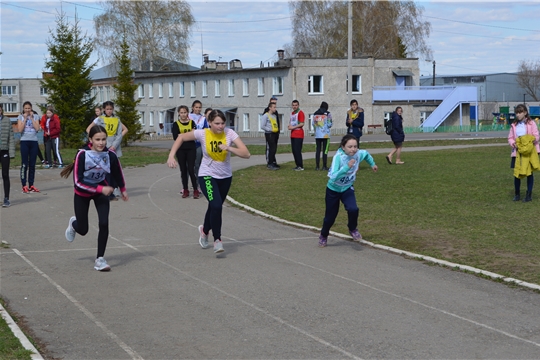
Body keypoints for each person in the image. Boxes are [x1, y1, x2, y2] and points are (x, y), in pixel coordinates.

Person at [167, 110, 250, 254]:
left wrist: (229, 147)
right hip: (207, 175)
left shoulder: (230, 134)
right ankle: (217, 240)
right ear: (210, 122)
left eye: (223, 123)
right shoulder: (202, 133)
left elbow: (246, 153)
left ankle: (204, 230)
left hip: (225, 176)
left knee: (214, 207)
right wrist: (171, 156)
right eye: (217, 123)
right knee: (217, 206)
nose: (220, 126)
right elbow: (180, 137)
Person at [61, 125, 128, 271]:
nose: (101, 143)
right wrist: (100, 188)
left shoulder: (110, 155)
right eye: (97, 139)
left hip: (101, 194)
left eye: (104, 139)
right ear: (90, 139)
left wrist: (122, 189)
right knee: (83, 230)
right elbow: (78, 183)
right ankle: (74, 224)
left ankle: (100, 259)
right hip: (83, 194)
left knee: (104, 223)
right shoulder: (82, 155)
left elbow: (118, 172)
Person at [318, 134, 378, 247]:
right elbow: (334, 176)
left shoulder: (358, 154)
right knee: (330, 217)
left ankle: (352, 229)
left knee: (353, 209)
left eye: (355, 146)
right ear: (343, 147)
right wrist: (347, 167)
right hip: (333, 189)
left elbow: (366, 155)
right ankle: (323, 235)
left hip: (347, 188)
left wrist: (372, 164)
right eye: (350, 147)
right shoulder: (338, 157)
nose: (353, 149)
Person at [86, 101, 128, 200]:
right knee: (104, 170)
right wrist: (95, 139)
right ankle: (104, 189)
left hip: (114, 147)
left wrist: (114, 145)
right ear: (104, 109)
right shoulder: (99, 119)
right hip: (103, 147)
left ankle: (116, 189)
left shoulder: (117, 120)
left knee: (115, 169)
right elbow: (89, 129)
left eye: (111, 109)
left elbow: (119, 134)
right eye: (107, 109)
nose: (109, 111)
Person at [508, 104, 540, 202]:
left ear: (525, 113)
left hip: (530, 152)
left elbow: (536, 136)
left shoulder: (531, 123)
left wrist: (527, 142)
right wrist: (514, 144)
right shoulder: (514, 125)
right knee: (516, 173)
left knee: (529, 174)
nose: (518, 115)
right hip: (517, 152)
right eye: (517, 112)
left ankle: (528, 195)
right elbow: (510, 138)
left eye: (520, 112)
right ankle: (517, 194)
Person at [172, 105, 198, 199]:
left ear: (188, 113)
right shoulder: (176, 124)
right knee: (183, 170)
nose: (183, 114)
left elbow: (194, 135)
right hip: (180, 149)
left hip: (191, 148)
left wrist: (182, 135)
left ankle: (195, 189)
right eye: (181, 112)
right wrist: (188, 134)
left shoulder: (192, 122)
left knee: (191, 169)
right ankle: (185, 189)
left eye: (185, 112)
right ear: (179, 113)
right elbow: (176, 137)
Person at [17, 101, 41, 193]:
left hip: (33, 141)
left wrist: (31, 118)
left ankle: (31, 184)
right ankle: (24, 185)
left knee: (32, 164)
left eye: (29, 108)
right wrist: (25, 119)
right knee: (24, 164)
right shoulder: (20, 117)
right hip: (24, 142)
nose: (27, 110)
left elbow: (37, 128)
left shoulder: (35, 116)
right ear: (23, 109)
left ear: (31, 109)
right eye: (26, 108)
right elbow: (20, 129)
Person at [0, 105, 15, 207]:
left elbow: (11, 137)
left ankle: (6, 198)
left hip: (4, 151)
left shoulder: (7, 120)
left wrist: (12, 152)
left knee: (5, 174)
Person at [313, 101, 333, 170]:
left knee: (318, 150)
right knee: (325, 150)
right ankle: (324, 166)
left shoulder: (315, 114)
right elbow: (330, 124)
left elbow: (314, 124)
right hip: (325, 135)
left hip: (317, 135)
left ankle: (317, 166)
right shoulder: (328, 114)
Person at [260, 102, 280, 170]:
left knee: (274, 149)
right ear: (270, 108)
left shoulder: (274, 116)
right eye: (274, 107)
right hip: (269, 134)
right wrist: (269, 129)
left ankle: (273, 162)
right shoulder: (265, 116)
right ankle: (269, 163)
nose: (275, 108)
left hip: (274, 134)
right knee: (271, 148)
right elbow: (262, 126)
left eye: (275, 107)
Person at [288, 99, 305, 171]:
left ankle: (300, 166)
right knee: (294, 150)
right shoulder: (292, 113)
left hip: (298, 134)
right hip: (293, 134)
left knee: (297, 150)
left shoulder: (300, 113)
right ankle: (297, 165)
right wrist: (289, 126)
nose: (294, 107)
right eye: (293, 105)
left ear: (298, 105)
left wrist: (293, 127)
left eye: (296, 105)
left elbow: (302, 123)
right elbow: (291, 122)